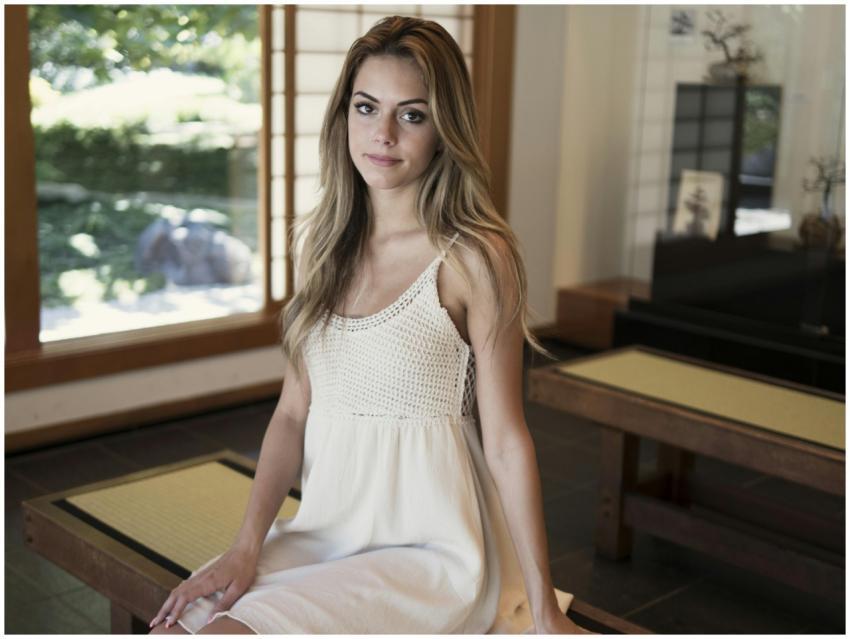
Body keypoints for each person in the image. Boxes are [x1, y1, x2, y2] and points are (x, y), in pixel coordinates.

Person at [149, 15, 591, 635]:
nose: (382, 134)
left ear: (444, 129)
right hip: (326, 534)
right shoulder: (324, 248)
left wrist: (544, 612)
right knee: (178, 625)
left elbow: (506, 442)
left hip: (432, 552)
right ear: (344, 116)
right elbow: (292, 415)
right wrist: (246, 547)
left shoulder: (473, 257)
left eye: (412, 115)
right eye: (366, 108)